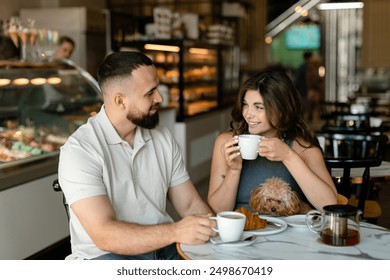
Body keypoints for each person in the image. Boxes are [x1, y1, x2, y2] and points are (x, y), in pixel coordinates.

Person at [58, 51, 216, 260]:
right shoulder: (80, 150)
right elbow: (105, 235)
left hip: (165, 247)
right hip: (105, 256)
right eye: (150, 93)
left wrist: (218, 230)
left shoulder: (162, 138)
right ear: (120, 101)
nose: (159, 98)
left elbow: (189, 205)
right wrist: (177, 231)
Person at [207, 70, 337, 214]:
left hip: (286, 235)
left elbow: (331, 206)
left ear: (281, 110)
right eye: (245, 104)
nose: (248, 114)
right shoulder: (226, 143)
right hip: (241, 232)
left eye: (258, 107)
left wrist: (289, 156)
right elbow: (218, 211)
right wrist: (234, 170)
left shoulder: (303, 149)